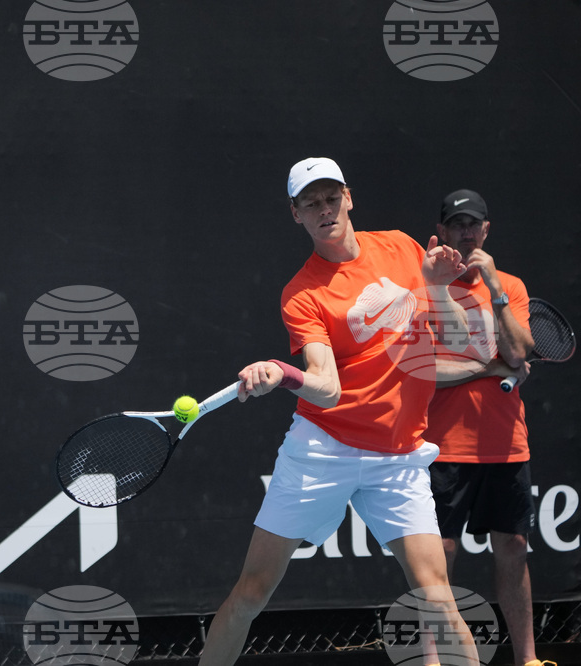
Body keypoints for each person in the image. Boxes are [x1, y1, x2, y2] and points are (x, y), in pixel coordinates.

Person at [198, 157, 480, 666]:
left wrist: (437, 287)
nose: (324, 209)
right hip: (323, 450)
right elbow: (326, 389)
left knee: (438, 596)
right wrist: (284, 374)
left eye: (331, 198)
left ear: (348, 197)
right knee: (252, 594)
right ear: (296, 215)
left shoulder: (401, 246)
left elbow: (461, 342)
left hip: (397, 456)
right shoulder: (302, 294)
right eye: (311, 203)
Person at [424, 190, 553, 666]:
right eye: (456, 224)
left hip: (505, 445)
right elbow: (428, 369)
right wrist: (490, 368)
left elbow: (519, 354)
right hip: (444, 447)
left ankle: (528, 660)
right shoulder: (429, 288)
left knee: (515, 548)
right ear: (441, 232)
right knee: (438, 555)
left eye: (473, 225)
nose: (466, 233)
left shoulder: (510, 287)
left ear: (486, 231)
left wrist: (494, 283)